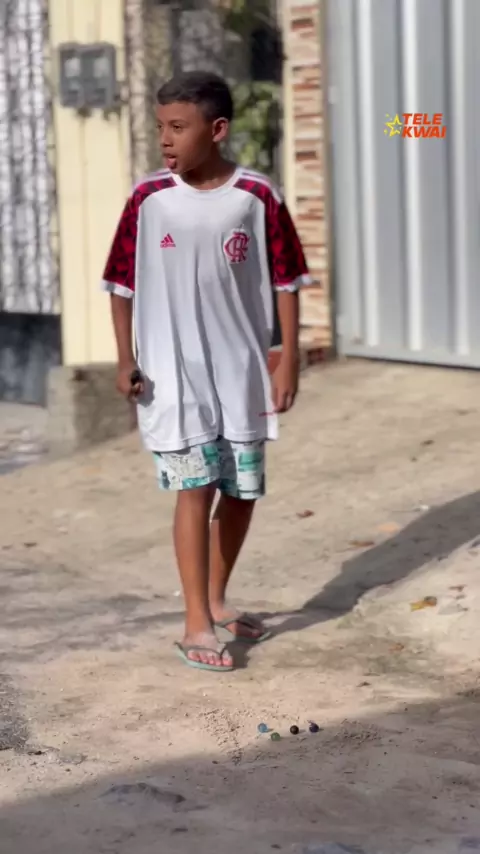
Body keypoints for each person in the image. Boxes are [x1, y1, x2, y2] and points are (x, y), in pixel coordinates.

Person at [101, 71, 311, 672]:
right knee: (194, 489)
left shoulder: (256, 196)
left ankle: (216, 600)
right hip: (173, 375)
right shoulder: (148, 198)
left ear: (216, 130)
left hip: (241, 372)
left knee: (241, 492)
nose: (165, 139)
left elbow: (287, 280)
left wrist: (287, 357)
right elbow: (120, 284)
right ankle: (196, 621)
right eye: (160, 127)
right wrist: (125, 358)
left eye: (178, 127)